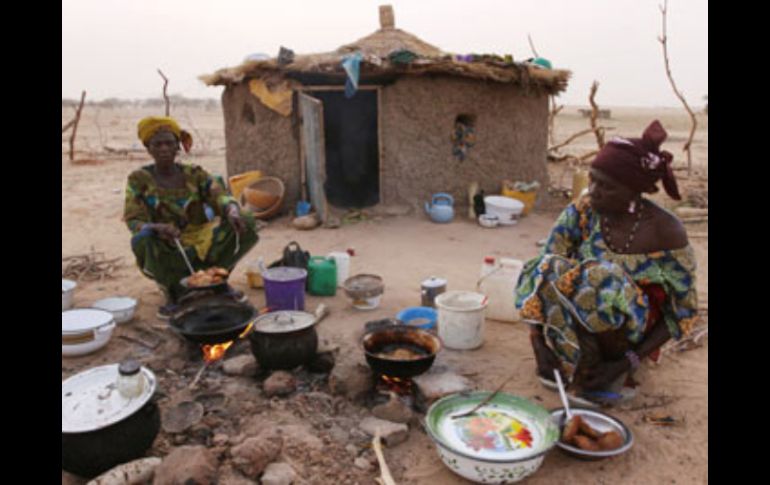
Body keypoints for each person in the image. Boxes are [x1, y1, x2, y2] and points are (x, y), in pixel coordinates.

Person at [515, 120, 698, 405]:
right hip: (582, 314)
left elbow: (683, 314)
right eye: (592, 180)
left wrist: (627, 362)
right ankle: (570, 357)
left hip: (628, 331)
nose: (593, 191)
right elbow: (542, 273)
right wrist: (538, 344)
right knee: (545, 267)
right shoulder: (584, 210)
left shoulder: (666, 231)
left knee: (603, 278)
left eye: (607, 186)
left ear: (633, 191)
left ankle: (611, 369)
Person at [123, 116, 259, 319]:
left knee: (245, 221)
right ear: (148, 148)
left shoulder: (195, 174)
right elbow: (133, 219)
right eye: (157, 144)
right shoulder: (139, 179)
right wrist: (157, 227)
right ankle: (174, 291)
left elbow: (219, 195)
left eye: (169, 143)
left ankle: (218, 281)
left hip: (203, 236)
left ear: (177, 146)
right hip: (167, 241)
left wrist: (231, 210)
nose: (164, 149)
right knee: (143, 238)